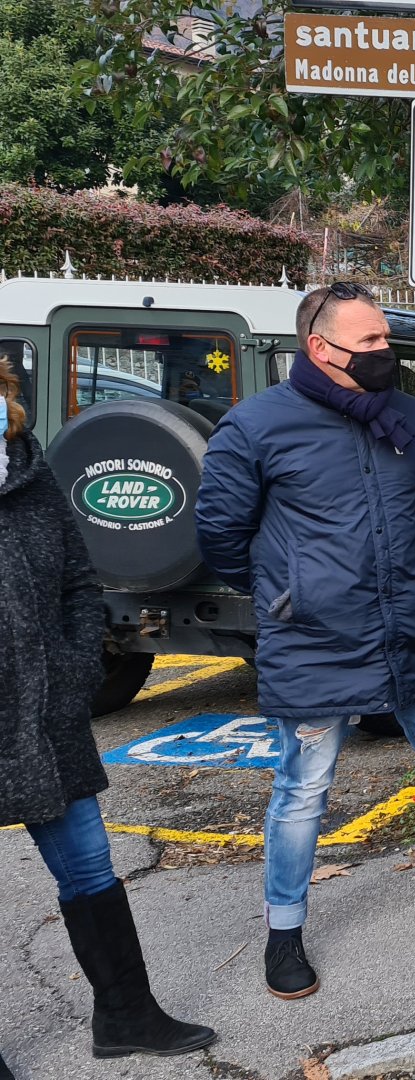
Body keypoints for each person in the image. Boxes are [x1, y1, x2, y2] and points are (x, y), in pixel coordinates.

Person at [197, 283, 415, 1001]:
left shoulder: (407, 418)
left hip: (408, 623)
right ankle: (285, 931)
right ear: (320, 348)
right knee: (305, 788)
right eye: (368, 343)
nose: (383, 353)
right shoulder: (256, 427)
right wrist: (291, 593)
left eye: (384, 340)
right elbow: (220, 536)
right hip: (314, 638)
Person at [1, 358, 217, 1069]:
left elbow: (76, 582)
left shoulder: (30, 478)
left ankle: (126, 1016)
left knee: (90, 866)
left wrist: (71, 674)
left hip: (45, 715)